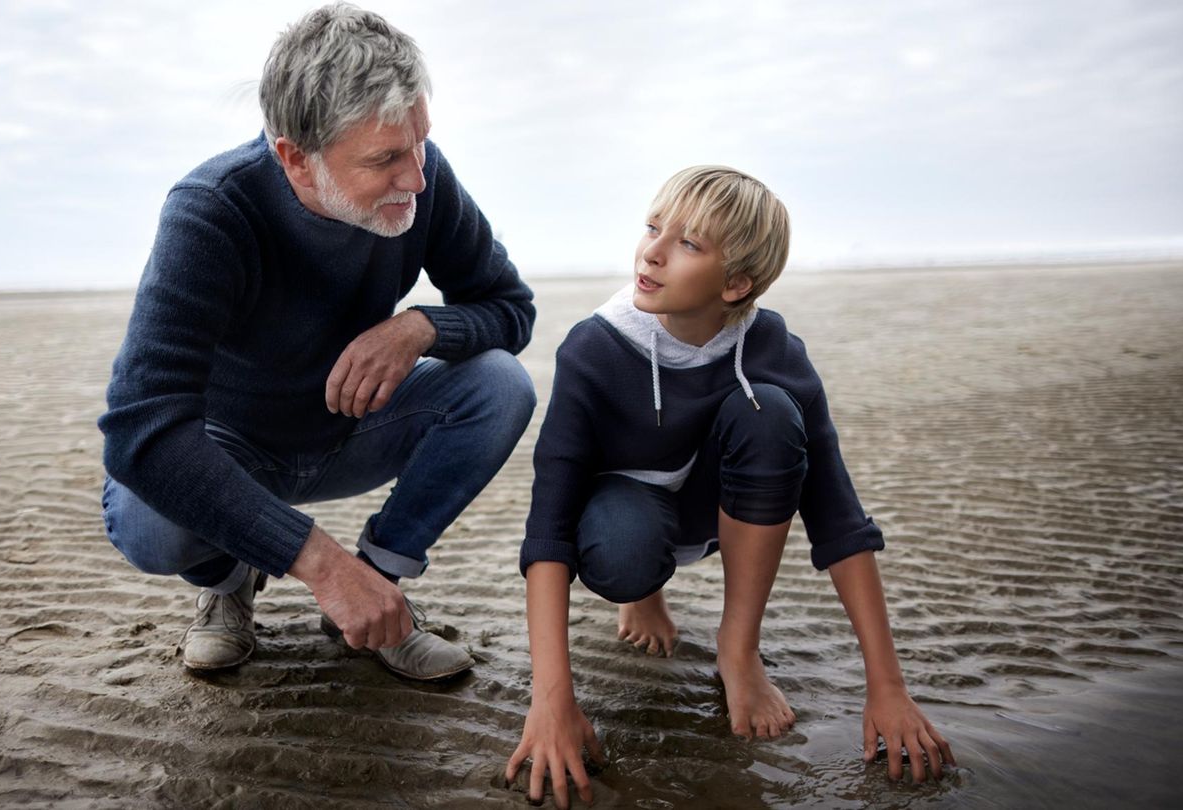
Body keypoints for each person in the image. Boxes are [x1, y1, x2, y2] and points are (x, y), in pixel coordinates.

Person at [98, 2, 536, 682]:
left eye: (419, 142)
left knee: (501, 383)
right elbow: (138, 426)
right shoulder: (212, 210)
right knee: (153, 524)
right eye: (386, 158)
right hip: (231, 450)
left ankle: (377, 588)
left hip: (350, 429)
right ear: (296, 160)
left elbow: (511, 310)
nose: (415, 177)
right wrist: (320, 563)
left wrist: (421, 326)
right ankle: (228, 582)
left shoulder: (425, 178)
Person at [504, 166, 955, 806]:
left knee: (771, 413)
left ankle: (738, 650)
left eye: (688, 244)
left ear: (737, 283)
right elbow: (548, 525)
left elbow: (837, 515)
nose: (652, 253)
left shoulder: (773, 347)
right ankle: (646, 591)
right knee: (625, 552)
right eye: (654, 228)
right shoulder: (593, 350)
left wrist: (887, 687)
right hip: (626, 516)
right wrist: (551, 704)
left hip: (720, 510)